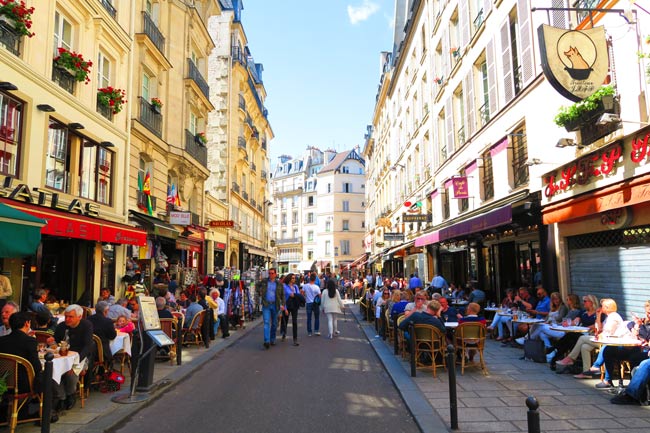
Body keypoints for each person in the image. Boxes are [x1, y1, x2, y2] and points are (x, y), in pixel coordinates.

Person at [557, 298, 627, 388]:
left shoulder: (614, 317)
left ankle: (570, 358)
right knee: (585, 347)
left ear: (607, 307)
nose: (600, 307)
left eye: (602, 306)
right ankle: (587, 372)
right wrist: (598, 316)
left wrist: (599, 333)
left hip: (609, 342)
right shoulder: (608, 316)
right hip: (603, 339)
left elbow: (607, 332)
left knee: (582, 338)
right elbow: (599, 329)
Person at [48, 304, 93, 411]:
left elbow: (88, 346)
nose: (67, 319)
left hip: (81, 356)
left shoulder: (86, 325)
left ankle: (70, 395)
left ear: (79, 317)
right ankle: (61, 397)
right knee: (51, 371)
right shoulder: (61, 326)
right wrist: (51, 342)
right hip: (63, 357)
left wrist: (76, 363)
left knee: (71, 373)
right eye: (66, 316)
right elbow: (55, 342)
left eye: (71, 317)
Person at [600, 300, 650, 388]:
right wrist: (637, 326)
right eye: (647, 312)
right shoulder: (643, 322)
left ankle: (633, 385)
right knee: (609, 350)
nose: (648, 315)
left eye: (649, 313)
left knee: (635, 357)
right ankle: (608, 380)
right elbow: (632, 330)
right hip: (634, 347)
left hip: (645, 350)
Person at [255, 268, 286, 349]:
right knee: (266, 322)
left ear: (275, 274)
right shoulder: (265, 281)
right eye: (269, 273)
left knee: (275, 323)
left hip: (275, 305)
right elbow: (257, 285)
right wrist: (259, 292)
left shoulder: (279, 283)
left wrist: (283, 305)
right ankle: (266, 341)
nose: (270, 275)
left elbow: (283, 295)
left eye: (272, 273)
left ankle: (272, 339)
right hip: (266, 304)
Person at [280, 273, 301, 346]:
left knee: (294, 322)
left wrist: (296, 295)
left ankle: (295, 339)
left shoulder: (295, 287)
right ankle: (283, 333)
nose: (294, 279)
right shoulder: (285, 286)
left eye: (294, 278)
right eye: (292, 278)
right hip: (287, 305)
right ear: (289, 279)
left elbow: (298, 295)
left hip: (294, 305)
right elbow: (290, 295)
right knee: (285, 320)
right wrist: (285, 308)